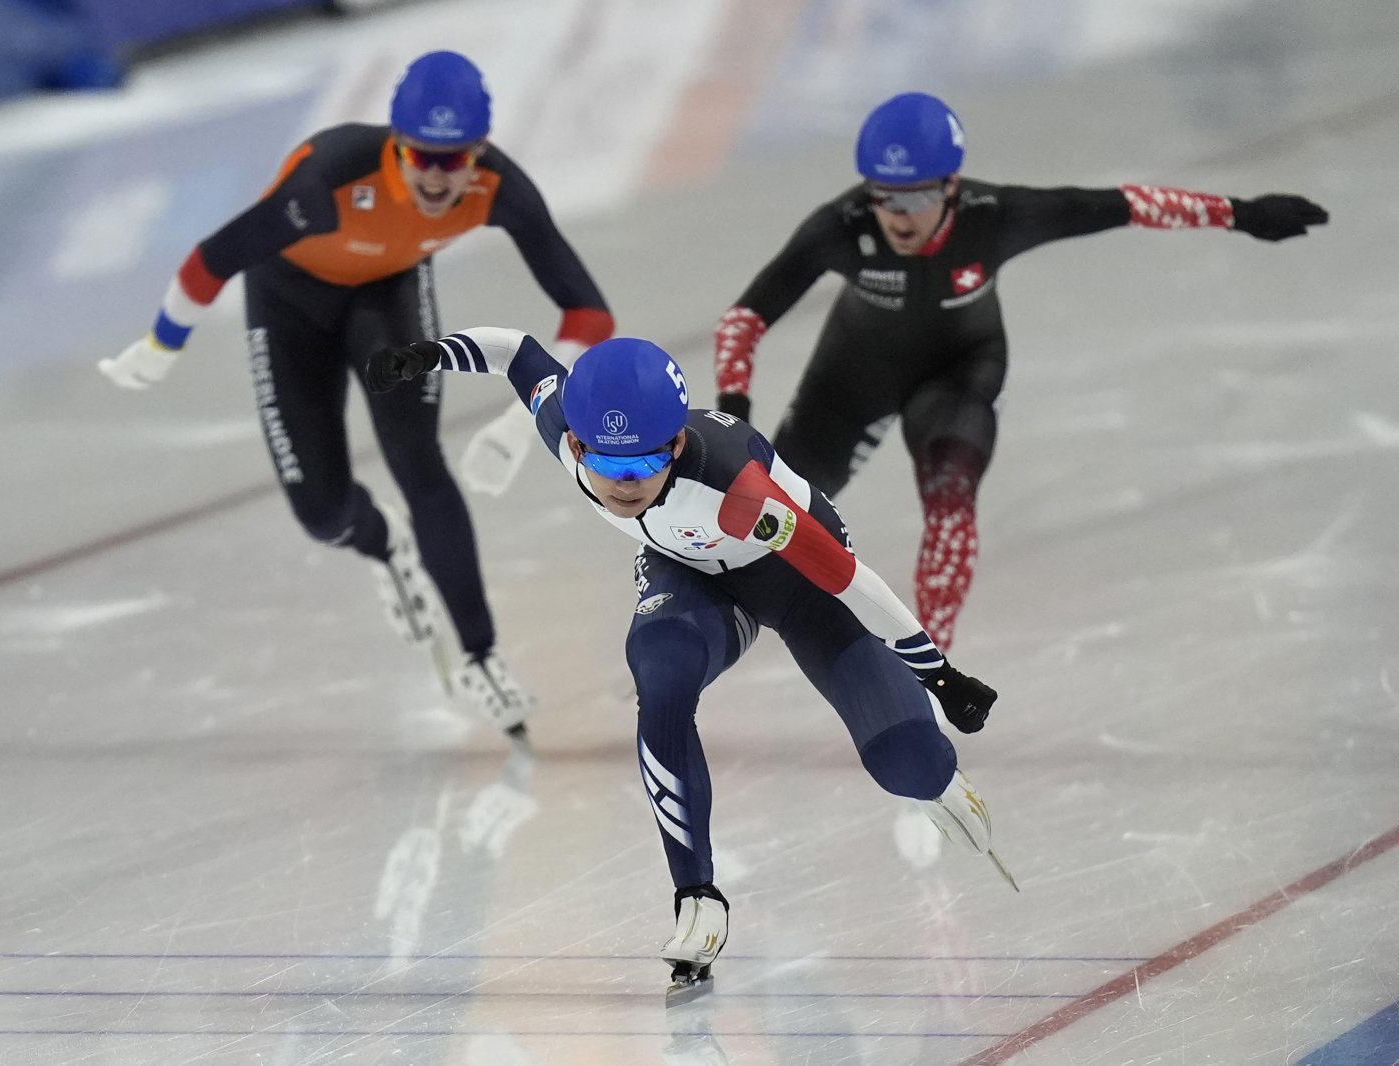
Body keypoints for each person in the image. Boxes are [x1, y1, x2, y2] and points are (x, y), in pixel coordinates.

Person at [364, 328, 1013, 997]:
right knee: (661, 671)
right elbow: (517, 353)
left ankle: (935, 775)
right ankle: (696, 897)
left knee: (904, 764)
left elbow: (847, 579)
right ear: (577, 445)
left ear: (676, 445)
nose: (624, 487)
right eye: (608, 469)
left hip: (792, 577)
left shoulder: (739, 492)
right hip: (690, 574)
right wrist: (428, 353)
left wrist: (939, 675)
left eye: (644, 466)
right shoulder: (565, 425)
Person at [97, 51, 616, 731]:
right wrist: (161, 343)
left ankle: (481, 654)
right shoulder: (326, 183)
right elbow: (213, 259)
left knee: (417, 459)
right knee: (320, 512)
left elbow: (589, 314)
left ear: (479, 151)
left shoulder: (499, 188)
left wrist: (524, 424)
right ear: (397, 145)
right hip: (288, 304)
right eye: (421, 156)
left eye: (453, 158)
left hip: (388, 296)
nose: (437, 175)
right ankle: (380, 542)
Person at [709, 92, 1330, 650]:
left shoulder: (995, 216)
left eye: (919, 195)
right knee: (756, 516)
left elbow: (1122, 205)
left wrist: (1240, 213)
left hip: (958, 374)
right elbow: (746, 316)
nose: (899, 215)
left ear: (951, 186)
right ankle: (693, 635)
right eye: (885, 196)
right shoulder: (841, 228)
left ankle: (930, 666)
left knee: (951, 507)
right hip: (849, 383)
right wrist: (733, 409)